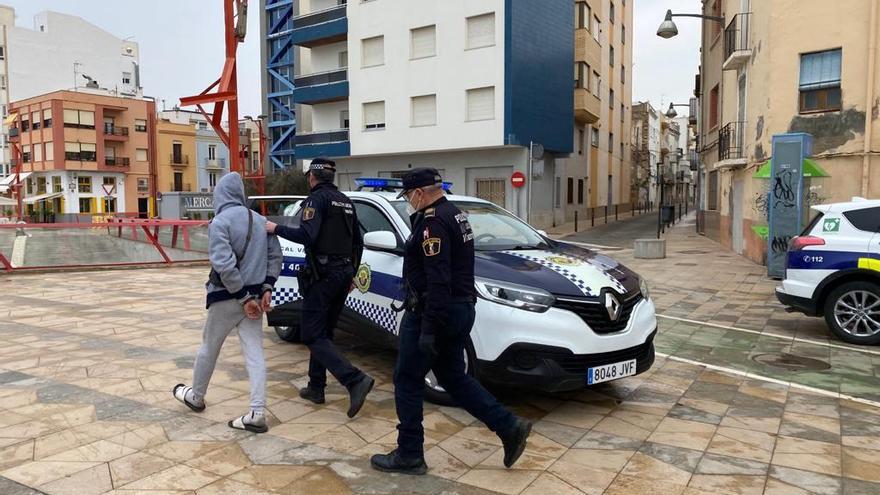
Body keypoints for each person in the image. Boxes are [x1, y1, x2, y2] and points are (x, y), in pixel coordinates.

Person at [371, 168, 532, 475]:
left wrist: (429, 330)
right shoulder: (455, 214)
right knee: (453, 377)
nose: (408, 202)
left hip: (433, 312)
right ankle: (509, 426)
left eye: (407, 196)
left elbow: (438, 280)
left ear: (419, 193)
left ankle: (409, 453)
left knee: (407, 379)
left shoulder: (433, 224)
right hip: (459, 309)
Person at [172, 172, 282, 433]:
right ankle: (257, 412)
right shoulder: (260, 220)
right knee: (255, 354)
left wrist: (241, 297)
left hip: (228, 297)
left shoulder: (219, 222)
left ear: (220, 195)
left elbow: (223, 264)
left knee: (209, 346)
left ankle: (196, 396)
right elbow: (275, 256)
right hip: (255, 297)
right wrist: (267, 287)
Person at [266, 158, 374, 418]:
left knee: (313, 335)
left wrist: (275, 228)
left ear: (312, 178)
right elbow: (358, 243)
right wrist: (351, 275)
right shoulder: (346, 201)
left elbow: (307, 236)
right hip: (343, 272)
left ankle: (354, 379)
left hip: (324, 275)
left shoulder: (316, 201)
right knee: (324, 332)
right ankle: (316, 387)